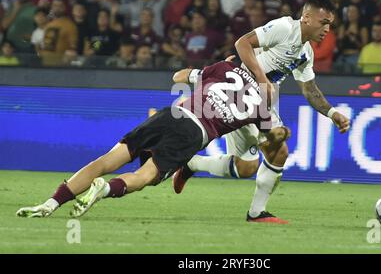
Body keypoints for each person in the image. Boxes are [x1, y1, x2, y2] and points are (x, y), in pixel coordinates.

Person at [16, 58, 273, 218]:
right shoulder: (263, 104)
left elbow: (179, 76)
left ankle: (50, 203)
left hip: (173, 113)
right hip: (194, 133)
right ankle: (104, 188)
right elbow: (272, 143)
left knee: (107, 160)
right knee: (145, 177)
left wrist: (203, 76)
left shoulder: (225, 67)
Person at [172, 0, 351, 224]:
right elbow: (242, 43)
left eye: (330, 24)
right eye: (323, 22)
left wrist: (332, 113)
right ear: (306, 17)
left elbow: (310, 90)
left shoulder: (306, 53)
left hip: (258, 103)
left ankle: (192, 164)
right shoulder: (285, 27)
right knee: (279, 150)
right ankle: (257, 213)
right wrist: (262, 78)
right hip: (239, 92)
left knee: (245, 168)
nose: (327, 29)